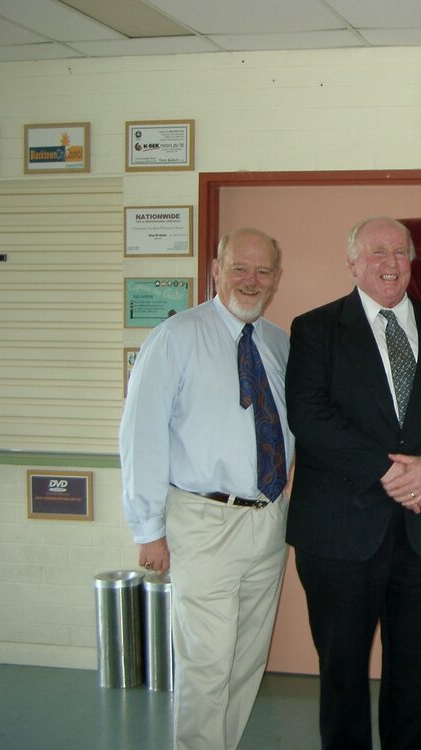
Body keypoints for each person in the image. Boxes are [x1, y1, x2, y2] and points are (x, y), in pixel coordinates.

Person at [285, 216, 421, 750]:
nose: (390, 263)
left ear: (413, 260)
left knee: (418, 675)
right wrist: (389, 470)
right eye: (377, 252)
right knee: (343, 673)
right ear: (352, 262)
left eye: (400, 251)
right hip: (339, 534)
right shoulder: (315, 330)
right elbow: (308, 415)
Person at [120, 228, 293, 750]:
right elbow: (140, 434)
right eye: (240, 267)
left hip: (267, 522)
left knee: (246, 662)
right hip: (203, 522)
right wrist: (148, 529)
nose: (251, 280)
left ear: (277, 280)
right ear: (215, 270)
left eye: (263, 271)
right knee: (206, 665)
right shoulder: (175, 337)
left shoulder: (278, 343)